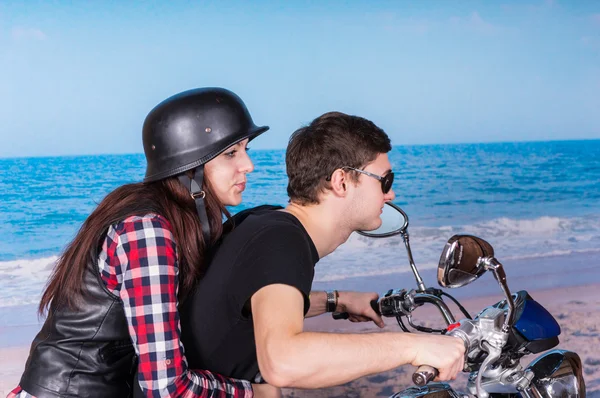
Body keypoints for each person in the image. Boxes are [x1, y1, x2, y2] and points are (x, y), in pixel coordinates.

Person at [8, 87, 278, 398]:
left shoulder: (172, 220)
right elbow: (166, 388)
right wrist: (254, 393)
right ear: (191, 166)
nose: (248, 165)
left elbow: (229, 303)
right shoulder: (147, 230)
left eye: (245, 149)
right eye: (231, 153)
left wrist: (331, 301)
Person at [179, 112, 466, 392]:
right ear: (341, 181)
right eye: (385, 181)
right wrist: (414, 346)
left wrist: (336, 301)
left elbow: (255, 305)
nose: (390, 195)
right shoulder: (282, 241)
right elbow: (282, 362)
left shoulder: (265, 222)